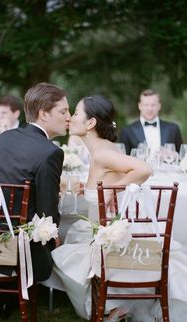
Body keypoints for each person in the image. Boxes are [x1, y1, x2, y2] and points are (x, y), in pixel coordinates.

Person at [47, 95, 152, 321]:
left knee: (59, 251)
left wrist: (112, 189)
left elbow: (144, 169)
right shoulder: (101, 149)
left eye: (75, 113)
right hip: (96, 229)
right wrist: (89, 189)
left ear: (91, 123)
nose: (70, 117)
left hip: (104, 238)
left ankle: (109, 305)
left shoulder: (102, 152)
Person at [0, 82, 71, 314]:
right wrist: (54, 237)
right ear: (43, 114)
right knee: (62, 238)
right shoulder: (51, 152)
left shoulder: (4, 138)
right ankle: (13, 291)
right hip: (17, 249)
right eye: (63, 111)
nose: (69, 117)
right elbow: (48, 214)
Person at [119, 89, 183, 155]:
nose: (150, 109)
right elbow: (122, 158)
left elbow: (182, 156)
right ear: (140, 106)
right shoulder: (127, 131)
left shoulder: (173, 129)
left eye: (153, 105)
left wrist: (173, 155)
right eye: (146, 105)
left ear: (159, 106)